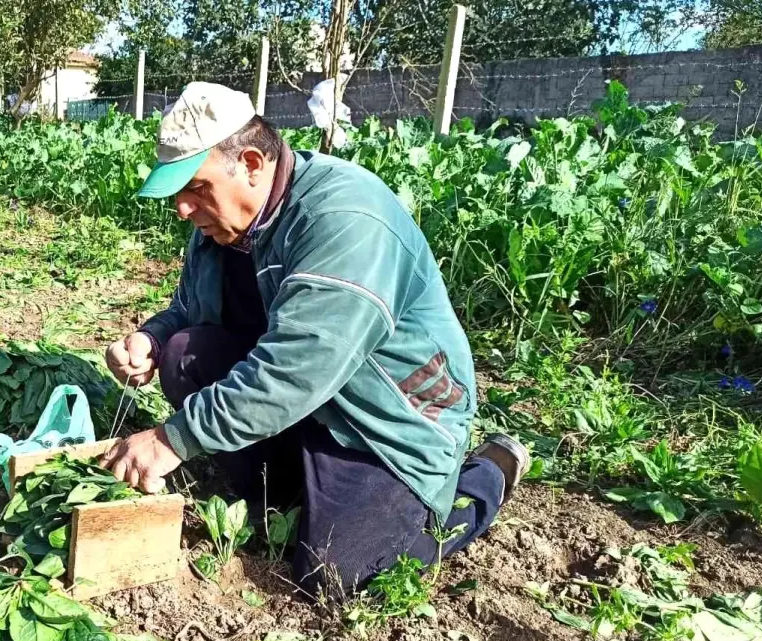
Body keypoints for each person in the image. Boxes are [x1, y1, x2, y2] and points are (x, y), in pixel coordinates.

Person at [99, 82, 530, 596]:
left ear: (253, 164)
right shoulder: (223, 227)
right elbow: (190, 308)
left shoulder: (345, 218)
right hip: (306, 403)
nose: (183, 210)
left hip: (385, 419)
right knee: (183, 355)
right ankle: (290, 489)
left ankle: (489, 474)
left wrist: (174, 439)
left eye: (195, 188)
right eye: (178, 194)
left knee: (339, 573)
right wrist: (151, 337)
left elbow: (297, 367)